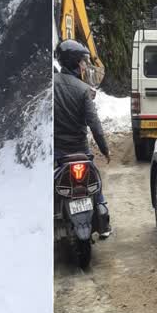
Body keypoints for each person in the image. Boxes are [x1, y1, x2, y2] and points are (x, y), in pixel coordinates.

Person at [54, 39, 111, 237]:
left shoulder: (50, 86)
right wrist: (105, 149)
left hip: (58, 153)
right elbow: (94, 124)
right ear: (76, 64)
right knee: (94, 183)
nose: (85, 65)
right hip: (80, 151)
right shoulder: (83, 89)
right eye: (83, 61)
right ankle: (103, 219)